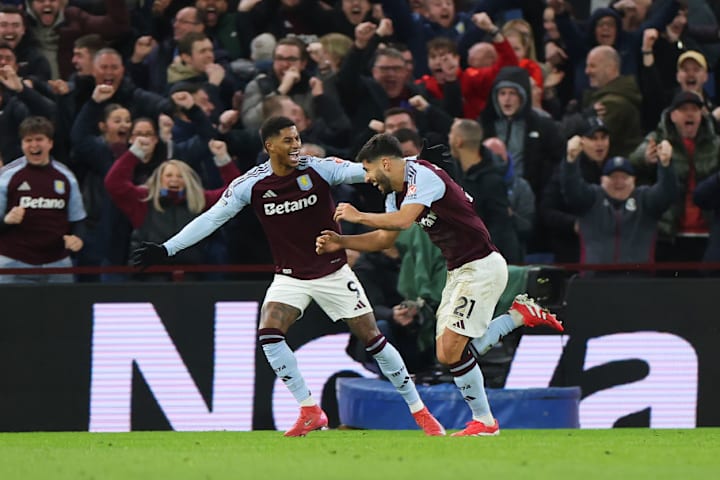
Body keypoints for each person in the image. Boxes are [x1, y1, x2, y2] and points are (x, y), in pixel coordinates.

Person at [131, 116, 445, 437]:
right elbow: (211, 219)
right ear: (269, 146)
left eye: (297, 138)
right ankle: (309, 409)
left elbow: (367, 170)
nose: (296, 145)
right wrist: (167, 249)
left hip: (332, 271)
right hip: (290, 276)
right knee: (269, 332)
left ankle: (420, 412)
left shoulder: (319, 168)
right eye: (288, 140)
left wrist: (416, 163)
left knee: (373, 339)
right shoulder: (250, 184)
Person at [315, 133, 564, 436]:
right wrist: (341, 241)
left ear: (384, 163)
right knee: (448, 355)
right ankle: (517, 318)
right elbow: (384, 239)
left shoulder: (424, 175)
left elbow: (405, 221)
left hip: (482, 266)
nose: (367, 179)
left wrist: (358, 216)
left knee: (453, 349)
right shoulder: (395, 194)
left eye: (368, 171)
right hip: (458, 271)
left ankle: (485, 421)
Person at [561, 136, 677, 268]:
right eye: (613, 177)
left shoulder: (645, 199)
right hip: (594, 279)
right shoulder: (591, 198)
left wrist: (666, 165)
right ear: (602, 180)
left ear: (633, 180)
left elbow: (668, 193)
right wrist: (570, 160)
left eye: (624, 177)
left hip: (639, 279)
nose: (619, 182)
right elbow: (571, 188)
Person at [0, 116, 86, 283]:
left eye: (39, 139)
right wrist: (6, 220)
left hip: (56, 262)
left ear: (50, 143)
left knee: (64, 309)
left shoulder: (66, 176)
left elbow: (78, 220)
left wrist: (78, 238)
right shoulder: (7, 175)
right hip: (13, 261)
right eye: (28, 140)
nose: (34, 145)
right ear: (22, 144)